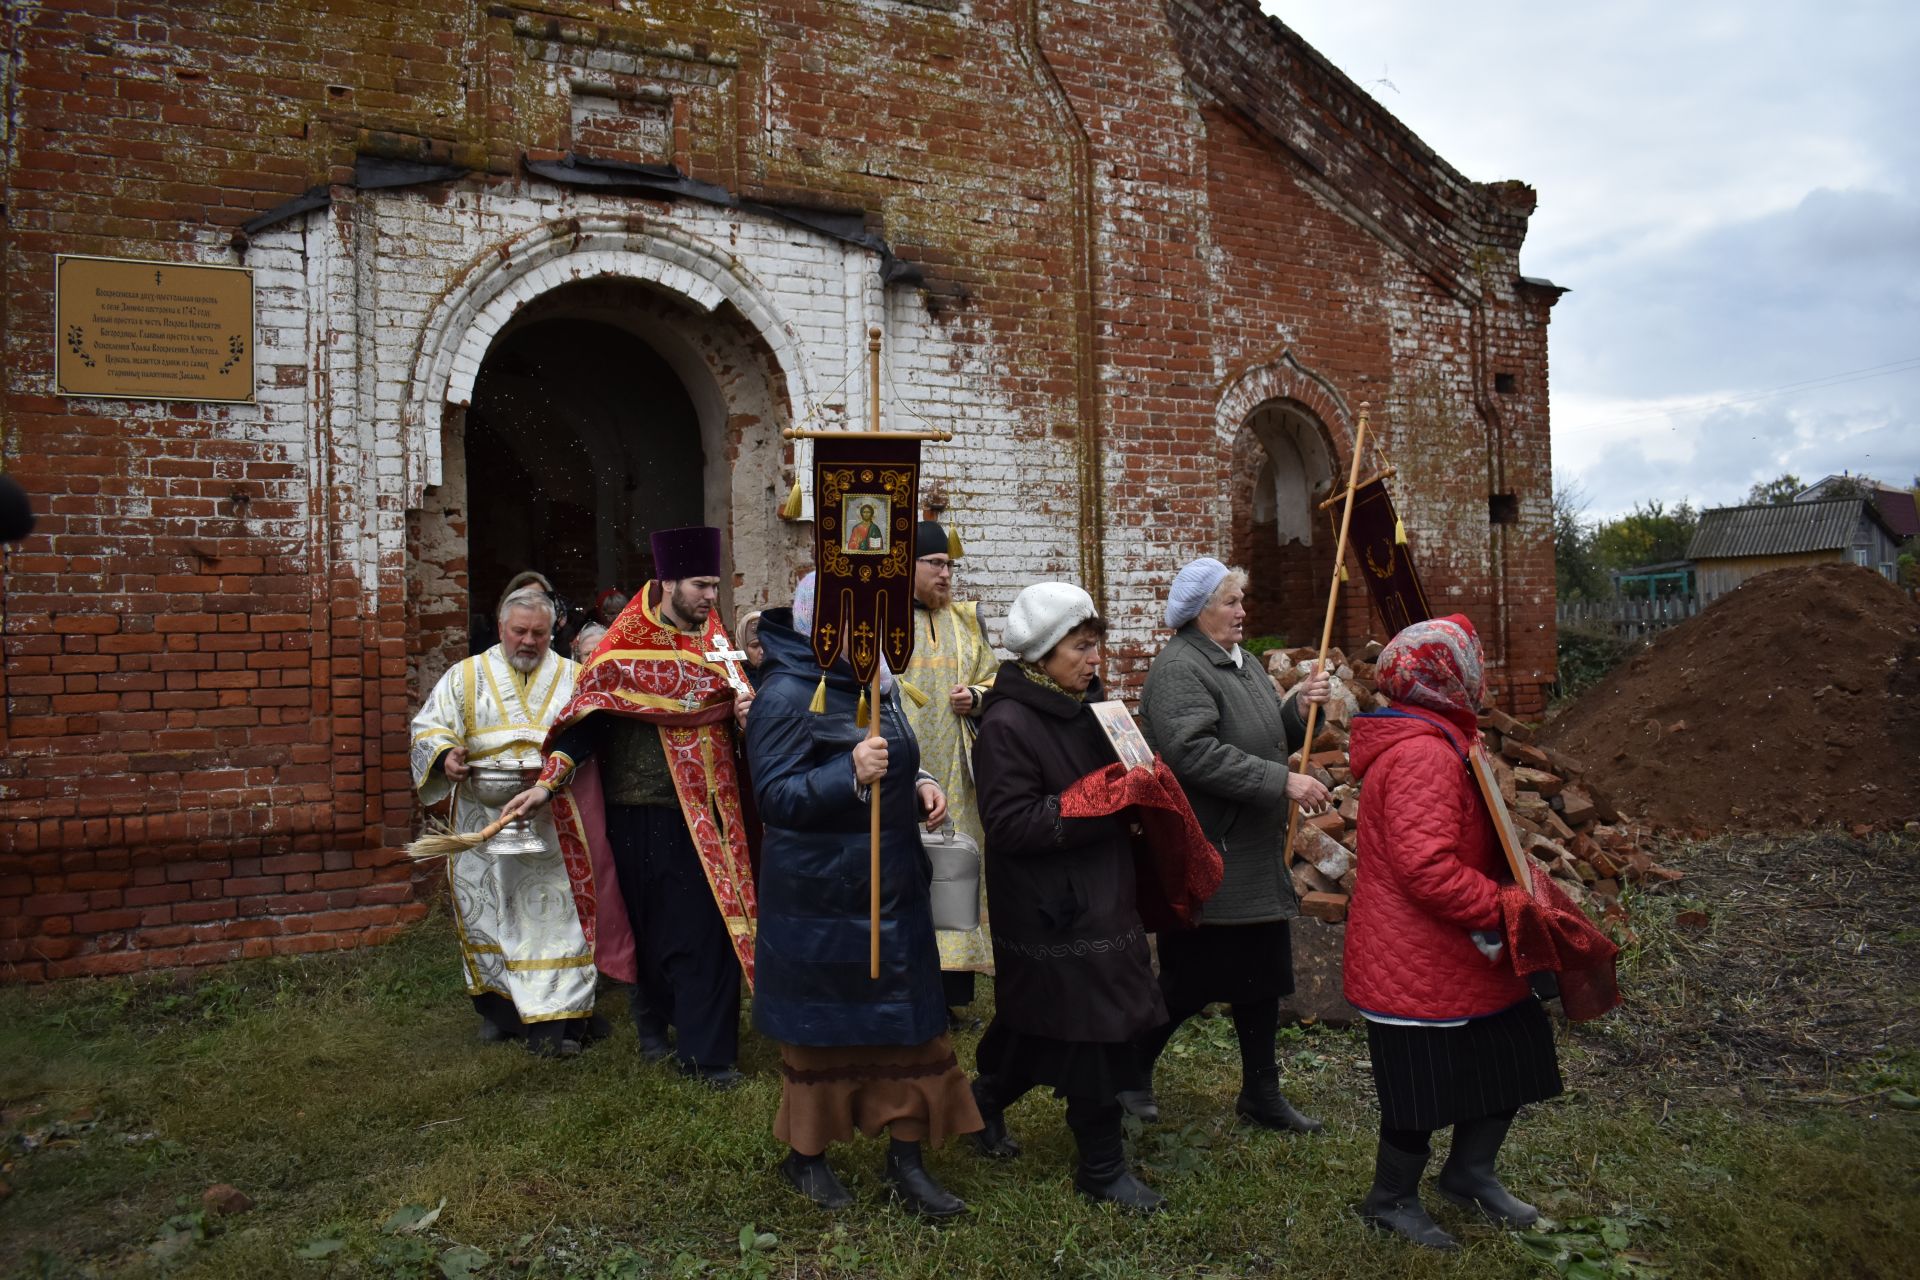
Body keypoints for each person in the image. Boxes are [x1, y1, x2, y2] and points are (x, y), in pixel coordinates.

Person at [745, 574, 982, 1217]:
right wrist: (845, 773)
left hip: (893, 887)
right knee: (824, 1034)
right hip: (820, 899)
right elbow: (774, 797)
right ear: (819, 625)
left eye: (877, 621)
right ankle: (807, 1159)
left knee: (912, 1027)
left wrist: (920, 783)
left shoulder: (875, 681)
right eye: (857, 622)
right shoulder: (787, 694)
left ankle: (907, 1164)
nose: (873, 634)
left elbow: (893, 754)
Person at [503, 527, 758, 1088]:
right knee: (649, 929)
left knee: (705, 932)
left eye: (714, 585)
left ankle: (709, 1056)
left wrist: (746, 718)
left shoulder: (714, 639)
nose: (711, 597)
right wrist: (548, 784)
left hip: (709, 816)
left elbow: (739, 704)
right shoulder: (622, 646)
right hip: (637, 813)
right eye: (700, 585)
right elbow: (584, 724)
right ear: (668, 583)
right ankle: (653, 1023)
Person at [1344, 615, 1563, 1250]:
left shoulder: (1439, 738)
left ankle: (1469, 1173)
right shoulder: (1421, 754)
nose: (1481, 675)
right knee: (1418, 1087)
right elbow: (1426, 869)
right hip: (1418, 956)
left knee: (1512, 1053)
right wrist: (1503, 904)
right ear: (1446, 679)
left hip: (1459, 952)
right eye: (1471, 663)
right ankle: (1390, 1200)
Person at [968, 582, 1172, 1211]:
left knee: (1043, 1026)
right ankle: (1101, 1169)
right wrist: (1101, 803)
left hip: (1102, 892)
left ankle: (980, 1105)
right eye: (1081, 648)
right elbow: (1009, 825)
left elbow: (1115, 783)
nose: (1094, 660)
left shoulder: (1091, 707)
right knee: (1092, 1032)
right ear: (1042, 653)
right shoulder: (1008, 722)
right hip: (1051, 908)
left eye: (1095, 646)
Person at [1131, 557, 1332, 1130]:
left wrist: (1297, 707)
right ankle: (1128, 1072)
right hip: (1211, 850)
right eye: (1231, 602)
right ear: (1199, 612)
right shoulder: (1179, 669)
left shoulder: (1237, 664)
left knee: (1262, 978)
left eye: (1242, 600)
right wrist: (1282, 780)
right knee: (1188, 982)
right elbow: (1192, 751)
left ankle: (1261, 1095)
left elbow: (1265, 731)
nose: (1243, 611)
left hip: (1252, 852)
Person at [409, 582, 598, 1056]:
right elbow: (429, 727)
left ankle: (560, 1024)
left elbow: (591, 739)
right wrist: (446, 756)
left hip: (554, 818)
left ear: (554, 631)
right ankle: (502, 1011)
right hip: (482, 815)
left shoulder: (576, 677)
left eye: (538, 632)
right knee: (488, 913)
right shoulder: (464, 676)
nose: (529, 642)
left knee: (557, 918)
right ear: (501, 628)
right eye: (519, 632)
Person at [899, 520, 999, 1024]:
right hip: (902, 772)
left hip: (957, 776)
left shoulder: (963, 620)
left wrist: (977, 696)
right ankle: (912, 991)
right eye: (935, 564)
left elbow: (993, 677)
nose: (946, 574)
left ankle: (952, 998)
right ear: (907, 566)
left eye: (949, 566)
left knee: (956, 873)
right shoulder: (885, 621)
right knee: (907, 876)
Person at [737, 609, 766, 689]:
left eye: (766, 645)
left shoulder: (782, 672)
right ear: (743, 647)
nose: (762, 651)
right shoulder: (737, 678)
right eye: (755, 646)